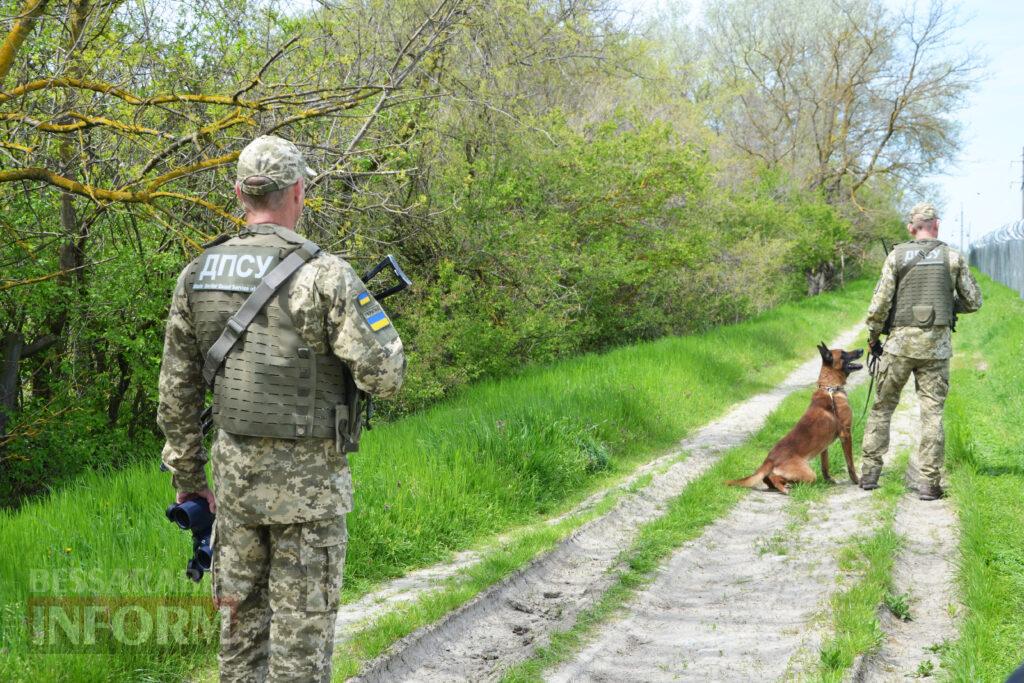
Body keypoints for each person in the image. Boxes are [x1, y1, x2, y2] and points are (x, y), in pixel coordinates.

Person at [157, 135, 405, 681]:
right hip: (310, 499)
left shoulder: (197, 274)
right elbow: (385, 375)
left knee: (239, 641)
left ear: (242, 195)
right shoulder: (326, 275)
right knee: (301, 648)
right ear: (297, 191)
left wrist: (190, 481)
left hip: (235, 490)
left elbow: (176, 393)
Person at [859, 202, 981, 500]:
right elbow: (973, 301)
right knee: (932, 414)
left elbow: (879, 306)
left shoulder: (896, 256)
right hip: (936, 349)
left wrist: (874, 337)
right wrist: (947, 307)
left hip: (899, 345)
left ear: (911, 228)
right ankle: (928, 483)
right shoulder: (952, 257)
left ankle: (869, 474)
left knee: (883, 407)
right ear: (936, 225)